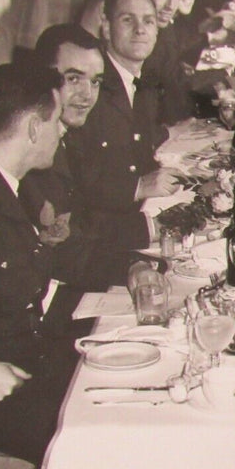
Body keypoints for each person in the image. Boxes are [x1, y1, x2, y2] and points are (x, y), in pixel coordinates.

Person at [0, 61, 66, 469]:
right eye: (57, 121)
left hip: (25, 365)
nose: (62, 131)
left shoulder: (4, 182)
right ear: (35, 128)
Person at [18, 24, 145, 289]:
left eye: (95, 81)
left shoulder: (72, 135)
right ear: (41, 79)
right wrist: (132, 264)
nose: (87, 96)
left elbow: (87, 219)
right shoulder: (30, 152)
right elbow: (65, 252)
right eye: (74, 79)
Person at [66, 0, 182, 242]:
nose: (140, 30)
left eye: (148, 21)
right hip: (103, 232)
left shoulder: (140, 79)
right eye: (128, 20)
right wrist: (137, 186)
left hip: (132, 214)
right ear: (107, 28)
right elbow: (75, 177)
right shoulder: (91, 86)